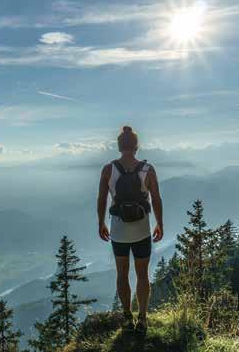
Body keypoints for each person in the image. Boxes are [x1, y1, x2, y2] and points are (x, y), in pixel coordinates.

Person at [97, 126, 164, 335]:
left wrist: (101, 223)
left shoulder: (109, 169)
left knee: (122, 274)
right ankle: (142, 318)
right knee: (142, 275)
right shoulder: (148, 169)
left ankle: (127, 318)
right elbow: (156, 198)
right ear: (136, 146)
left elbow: (101, 199)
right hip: (142, 229)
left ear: (119, 146)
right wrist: (159, 223)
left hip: (118, 230)